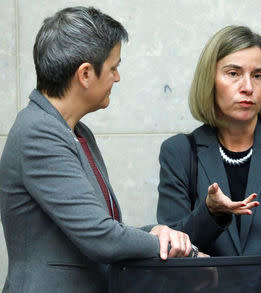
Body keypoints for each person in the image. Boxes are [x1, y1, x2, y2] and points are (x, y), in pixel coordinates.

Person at [0, 7, 193, 293]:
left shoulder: (77, 132)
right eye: (113, 67)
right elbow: (102, 237)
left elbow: (103, 227)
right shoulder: (38, 132)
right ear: (86, 74)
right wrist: (177, 248)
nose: (117, 78)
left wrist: (159, 232)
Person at [156, 25, 261, 257]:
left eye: (258, 76)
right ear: (210, 80)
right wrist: (211, 212)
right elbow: (172, 244)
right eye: (233, 73)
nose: (247, 87)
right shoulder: (179, 152)